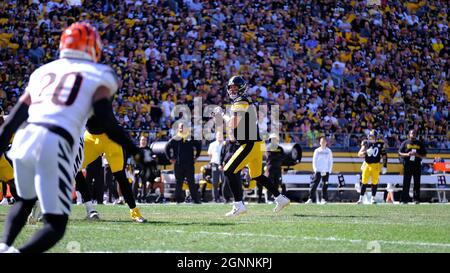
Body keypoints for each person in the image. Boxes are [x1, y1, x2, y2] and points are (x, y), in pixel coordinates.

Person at [0, 22, 142, 253]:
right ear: (92, 47)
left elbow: (12, 120)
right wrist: (135, 150)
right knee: (55, 225)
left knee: (25, 201)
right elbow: (107, 121)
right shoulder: (100, 73)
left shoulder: (42, 72)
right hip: (54, 141)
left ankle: (4, 246)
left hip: (24, 138)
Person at [213, 75, 290, 216]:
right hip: (255, 142)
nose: (232, 90)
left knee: (229, 171)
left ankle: (238, 205)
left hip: (250, 143)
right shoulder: (243, 100)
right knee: (257, 175)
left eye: (235, 87)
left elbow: (232, 124)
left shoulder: (240, 101)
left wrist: (222, 114)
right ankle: (280, 198)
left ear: (242, 88)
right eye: (231, 87)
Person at [165, 122, 202, 204]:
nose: (182, 128)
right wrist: (170, 158)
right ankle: (178, 200)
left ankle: (195, 200)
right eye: (181, 127)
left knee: (191, 182)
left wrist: (196, 157)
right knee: (179, 182)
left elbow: (198, 146)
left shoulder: (191, 137)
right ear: (178, 128)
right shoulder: (175, 138)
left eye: (184, 127)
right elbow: (166, 148)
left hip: (189, 164)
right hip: (178, 164)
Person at [357, 129, 387, 204]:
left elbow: (384, 156)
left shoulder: (380, 144)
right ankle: (360, 198)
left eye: (373, 137)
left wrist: (385, 165)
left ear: (376, 137)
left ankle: (373, 198)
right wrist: (366, 152)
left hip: (376, 165)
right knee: (364, 182)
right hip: (367, 164)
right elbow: (359, 154)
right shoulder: (366, 143)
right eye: (370, 136)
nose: (371, 138)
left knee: (374, 182)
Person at [398, 129, 427, 204]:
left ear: (416, 134)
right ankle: (404, 199)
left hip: (417, 164)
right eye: (411, 133)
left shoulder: (419, 143)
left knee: (417, 182)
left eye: (414, 133)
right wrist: (407, 154)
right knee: (406, 182)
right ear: (409, 134)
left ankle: (416, 199)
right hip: (407, 164)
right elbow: (399, 153)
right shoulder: (405, 143)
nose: (413, 134)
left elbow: (424, 155)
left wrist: (417, 155)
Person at [305, 136, 333, 204]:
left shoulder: (329, 151)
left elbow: (330, 161)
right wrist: (315, 169)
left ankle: (324, 199)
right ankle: (310, 199)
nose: (323, 142)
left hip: (326, 171)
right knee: (314, 185)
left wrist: (329, 170)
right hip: (318, 171)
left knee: (325, 185)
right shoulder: (317, 150)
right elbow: (314, 160)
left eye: (324, 141)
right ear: (320, 143)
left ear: (326, 142)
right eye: (321, 141)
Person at [264, 133, 286, 201]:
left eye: (275, 139)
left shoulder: (280, 148)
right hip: (270, 169)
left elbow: (283, 157)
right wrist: (278, 156)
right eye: (273, 139)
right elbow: (270, 157)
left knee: (277, 184)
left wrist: (276, 156)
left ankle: (275, 198)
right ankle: (269, 199)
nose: (274, 140)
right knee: (270, 184)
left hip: (278, 168)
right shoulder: (268, 148)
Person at [207, 132, 224, 202]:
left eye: (221, 135)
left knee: (224, 181)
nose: (220, 136)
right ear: (216, 136)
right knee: (215, 182)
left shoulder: (225, 144)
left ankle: (224, 197)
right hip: (214, 164)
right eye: (218, 135)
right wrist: (212, 161)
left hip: (223, 165)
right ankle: (215, 198)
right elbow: (210, 154)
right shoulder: (212, 144)